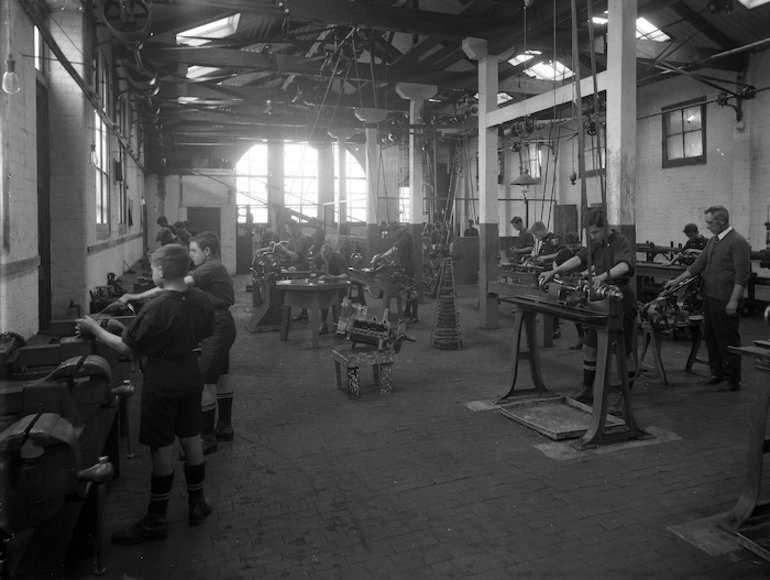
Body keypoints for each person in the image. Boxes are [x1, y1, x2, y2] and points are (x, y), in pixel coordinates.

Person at [77, 244, 215, 544]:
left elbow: (127, 347)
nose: (152, 272)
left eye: (153, 268)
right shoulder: (201, 299)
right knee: (191, 438)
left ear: (163, 271)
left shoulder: (156, 306)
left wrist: (96, 329)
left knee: (162, 446)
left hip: (162, 380)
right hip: (191, 372)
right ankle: (197, 504)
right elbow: (203, 330)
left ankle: (156, 519)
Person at [120, 231, 237, 452]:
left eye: (194, 250)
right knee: (221, 376)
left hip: (218, 326)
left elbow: (174, 283)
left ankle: (206, 437)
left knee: (205, 383)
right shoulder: (214, 267)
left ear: (207, 251)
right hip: (223, 323)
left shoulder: (211, 267)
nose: (191, 255)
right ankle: (224, 427)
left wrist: (135, 297)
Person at [539, 209, 637, 406]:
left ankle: (623, 394)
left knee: (622, 352)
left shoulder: (620, 241)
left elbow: (625, 265)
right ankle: (587, 389)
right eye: (590, 234)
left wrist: (602, 276)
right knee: (589, 347)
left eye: (595, 232)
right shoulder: (597, 243)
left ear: (606, 227)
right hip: (600, 302)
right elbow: (579, 259)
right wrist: (555, 270)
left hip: (619, 298)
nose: (592, 237)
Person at [664, 205, 750, 391]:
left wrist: (734, 300)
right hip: (710, 296)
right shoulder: (713, 241)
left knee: (727, 338)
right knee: (711, 336)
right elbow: (697, 265)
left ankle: (732, 380)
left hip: (725, 298)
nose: (707, 227)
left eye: (710, 223)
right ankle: (716, 373)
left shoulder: (738, 242)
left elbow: (742, 276)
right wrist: (676, 281)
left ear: (721, 221)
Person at [379, 223, 419, 324]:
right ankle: (407, 311)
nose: (392, 235)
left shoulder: (406, 236)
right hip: (403, 265)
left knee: (411, 289)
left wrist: (382, 256)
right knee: (407, 290)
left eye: (393, 232)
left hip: (408, 266)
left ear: (397, 230)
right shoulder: (401, 236)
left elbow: (396, 248)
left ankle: (415, 315)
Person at [555, 232, 587, 350]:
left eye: (574, 246)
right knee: (575, 314)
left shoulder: (584, 252)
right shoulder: (564, 252)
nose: (572, 248)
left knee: (583, 313)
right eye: (569, 246)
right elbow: (556, 262)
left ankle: (588, 340)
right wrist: (556, 272)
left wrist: (582, 274)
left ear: (579, 243)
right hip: (567, 285)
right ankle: (581, 338)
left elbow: (593, 266)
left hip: (581, 286)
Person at [312, 243, 349, 334]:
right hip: (324, 285)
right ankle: (323, 323)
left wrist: (334, 277)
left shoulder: (339, 258)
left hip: (338, 284)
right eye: (323, 253)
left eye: (327, 254)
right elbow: (313, 273)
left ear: (331, 253)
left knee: (337, 299)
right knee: (323, 297)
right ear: (320, 253)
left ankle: (339, 325)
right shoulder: (317, 258)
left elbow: (345, 275)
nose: (325, 257)